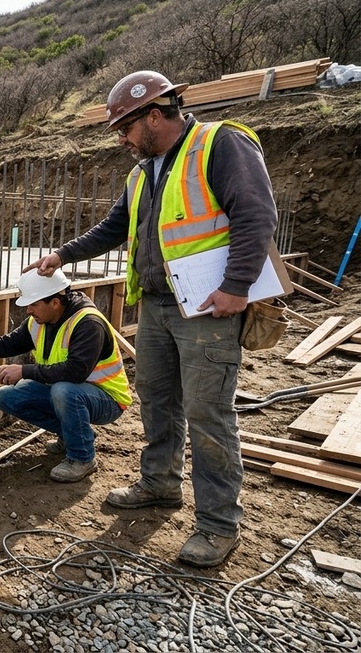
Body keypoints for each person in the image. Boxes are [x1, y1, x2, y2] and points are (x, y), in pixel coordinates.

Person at [25, 70, 278, 567]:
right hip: (158, 304)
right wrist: (64, 254)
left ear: (155, 115)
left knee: (207, 413)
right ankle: (160, 483)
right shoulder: (143, 172)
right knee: (158, 401)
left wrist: (236, 286)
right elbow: (115, 227)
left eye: (125, 128)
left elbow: (256, 214)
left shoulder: (218, 145)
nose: (121, 139)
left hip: (206, 307)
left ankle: (218, 525)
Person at [0, 269, 131, 483]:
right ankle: (75, 436)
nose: (28, 311)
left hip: (108, 399)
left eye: (33, 304)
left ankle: (82, 458)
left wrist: (23, 371)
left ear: (55, 302)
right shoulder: (40, 321)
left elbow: (75, 372)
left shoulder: (87, 323)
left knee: (64, 390)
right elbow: (9, 343)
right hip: (69, 392)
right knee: (7, 396)